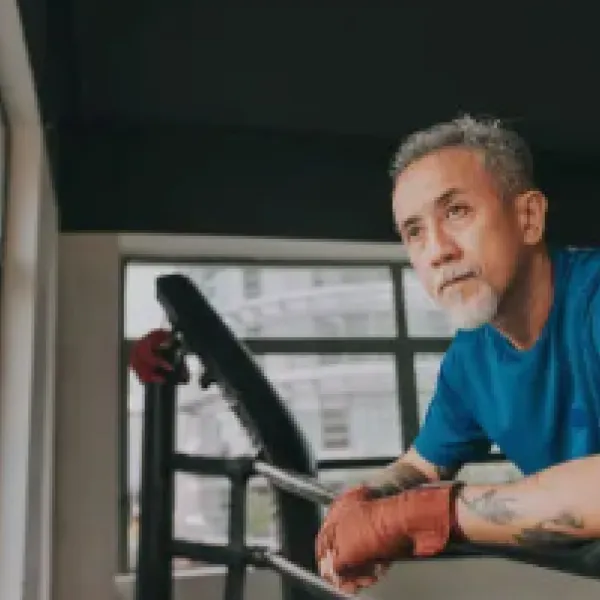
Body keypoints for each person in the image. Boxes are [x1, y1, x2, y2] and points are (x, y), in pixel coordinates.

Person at [128, 115, 600, 593]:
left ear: (528, 218)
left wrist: (415, 517)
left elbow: (425, 500)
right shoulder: (469, 362)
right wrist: (364, 500)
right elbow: (420, 467)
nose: (436, 251)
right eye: (414, 232)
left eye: (457, 211)